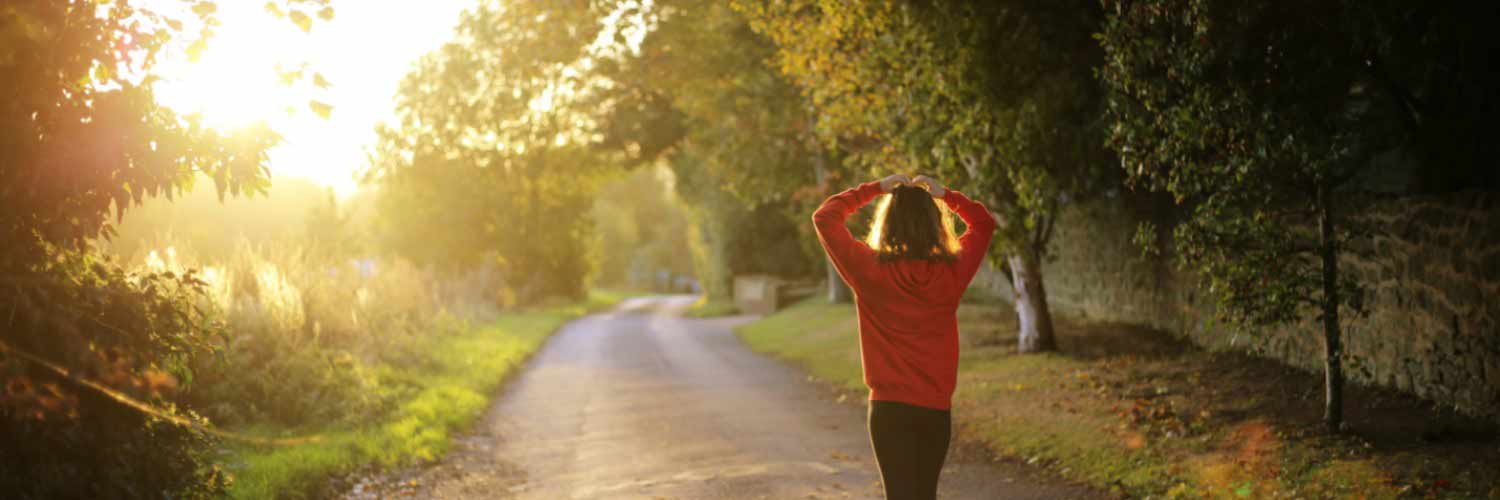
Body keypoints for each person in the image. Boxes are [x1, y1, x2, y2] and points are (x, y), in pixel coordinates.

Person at [812, 174, 997, 500]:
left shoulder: (869, 270)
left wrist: (874, 188)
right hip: (934, 410)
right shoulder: (951, 271)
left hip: (888, 410)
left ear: (888, 223)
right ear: (934, 223)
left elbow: (825, 217)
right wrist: (946, 195)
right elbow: (983, 224)